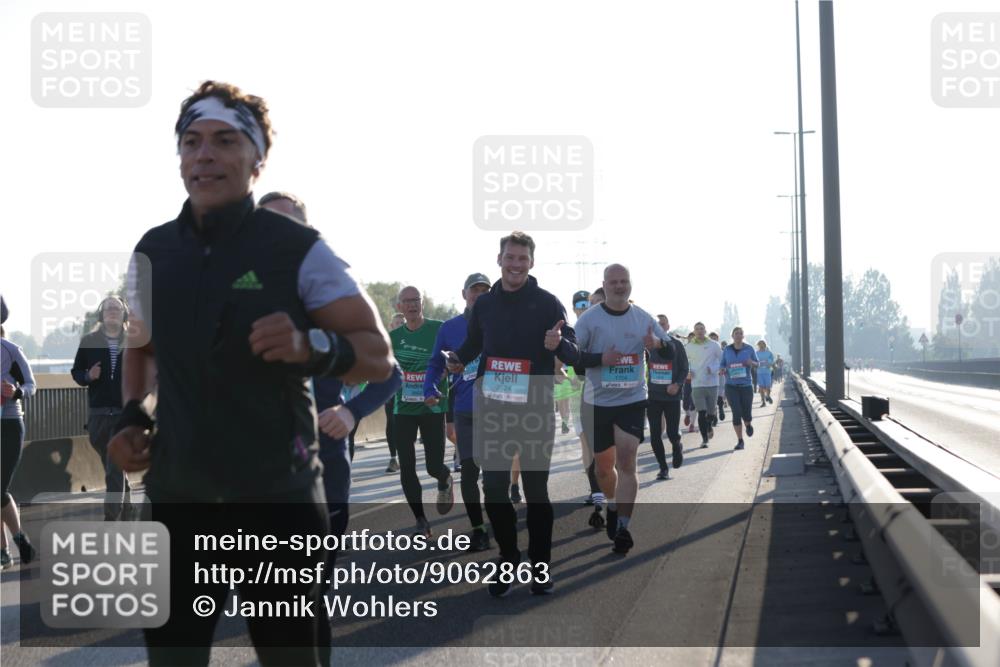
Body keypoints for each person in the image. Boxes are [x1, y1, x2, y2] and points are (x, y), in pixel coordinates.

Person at [109, 81, 395, 666]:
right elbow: (141, 348)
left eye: (223, 140)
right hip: (180, 498)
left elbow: (378, 354)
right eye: (191, 142)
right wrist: (133, 414)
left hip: (277, 498)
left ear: (257, 158)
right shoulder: (153, 251)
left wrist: (309, 345)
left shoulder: (297, 248)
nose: (204, 154)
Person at [448, 231, 582, 596]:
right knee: (493, 488)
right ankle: (508, 558)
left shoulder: (548, 303)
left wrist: (559, 344)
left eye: (523, 258)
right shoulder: (485, 305)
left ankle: (540, 566)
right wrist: (458, 360)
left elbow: (572, 351)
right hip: (493, 404)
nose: (516, 264)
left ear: (531, 263)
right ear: (500, 259)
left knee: (536, 490)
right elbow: (474, 343)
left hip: (535, 404)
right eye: (510, 257)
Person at [574, 265, 674, 553]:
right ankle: (614, 506)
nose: (619, 286)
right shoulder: (590, 320)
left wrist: (656, 344)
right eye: (614, 282)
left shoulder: (642, 317)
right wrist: (601, 359)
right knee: (604, 469)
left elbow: (669, 349)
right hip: (597, 402)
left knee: (627, 461)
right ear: (604, 285)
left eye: (624, 281)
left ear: (631, 285)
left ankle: (623, 527)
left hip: (632, 400)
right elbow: (575, 358)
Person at [423, 272, 493, 552]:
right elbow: (435, 364)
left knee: (494, 475)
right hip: (465, 410)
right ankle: (478, 530)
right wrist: (429, 388)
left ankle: (499, 522)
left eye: (484, 290)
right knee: (470, 472)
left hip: (497, 409)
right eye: (473, 290)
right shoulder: (450, 328)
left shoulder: (499, 322)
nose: (478, 295)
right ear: (464, 294)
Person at [390, 285, 454, 537]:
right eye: (406, 301)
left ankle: (444, 476)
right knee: (406, 466)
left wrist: (448, 368)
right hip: (403, 409)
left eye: (416, 300)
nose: (412, 304)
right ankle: (420, 519)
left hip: (433, 406)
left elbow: (453, 357)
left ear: (422, 303)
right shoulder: (393, 338)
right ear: (399, 307)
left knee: (432, 466)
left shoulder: (439, 329)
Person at [71, 296, 133, 521]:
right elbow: (76, 372)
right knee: (113, 467)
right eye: (108, 309)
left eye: (117, 308)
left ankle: (110, 519)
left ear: (124, 313)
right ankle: (127, 507)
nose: (112, 312)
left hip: (124, 414)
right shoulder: (89, 341)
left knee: (114, 467)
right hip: (98, 415)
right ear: (101, 314)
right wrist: (88, 375)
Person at [1, 326, 37, 569]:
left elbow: (31, 385)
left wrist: (16, 392)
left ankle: (17, 540)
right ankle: (4, 551)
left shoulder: (11, 350)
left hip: (9, 425)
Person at [646, 315, 689, 480]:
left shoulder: (676, 344)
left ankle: (677, 445)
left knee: (671, 433)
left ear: (668, 326)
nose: (660, 327)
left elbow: (685, 368)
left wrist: (677, 385)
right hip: (653, 396)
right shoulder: (647, 345)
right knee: (655, 434)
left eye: (662, 324)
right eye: (657, 325)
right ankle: (663, 468)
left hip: (672, 396)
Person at [720, 327, 759, 451]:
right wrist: (722, 369)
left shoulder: (749, 349)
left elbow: (757, 363)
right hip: (731, 386)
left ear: (743, 336)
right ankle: (740, 440)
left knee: (746, 413)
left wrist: (751, 362)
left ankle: (748, 424)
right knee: (736, 412)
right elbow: (722, 364)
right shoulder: (727, 349)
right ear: (732, 336)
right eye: (736, 333)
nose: (738, 335)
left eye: (740, 333)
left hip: (746, 386)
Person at [686, 322, 722, 448]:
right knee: (701, 412)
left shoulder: (714, 345)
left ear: (705, 330)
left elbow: (722, 361)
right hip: (697, 384)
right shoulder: (689, 346)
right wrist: (687, 373)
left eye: (702, 329)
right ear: (694, 331)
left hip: (712, 383)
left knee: (711, 413)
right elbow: (684, 363)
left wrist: (712, 369)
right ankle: (704, 439)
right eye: (697, 329)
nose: (700, 331)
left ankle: (709, 426)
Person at [755, 340, 775, 406]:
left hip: (767, 372)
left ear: (765, 345)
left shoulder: (769, 353)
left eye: (763, 344)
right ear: (758, 345)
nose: (761, 345)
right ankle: (763, 402)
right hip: (760, 372)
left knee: (768, 387)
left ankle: (768, 396)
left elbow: (772, 360)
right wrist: (757, 364)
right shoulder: (756, 353)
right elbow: (754, 361)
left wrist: (768, 362)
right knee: (761, 387)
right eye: (760, 344)